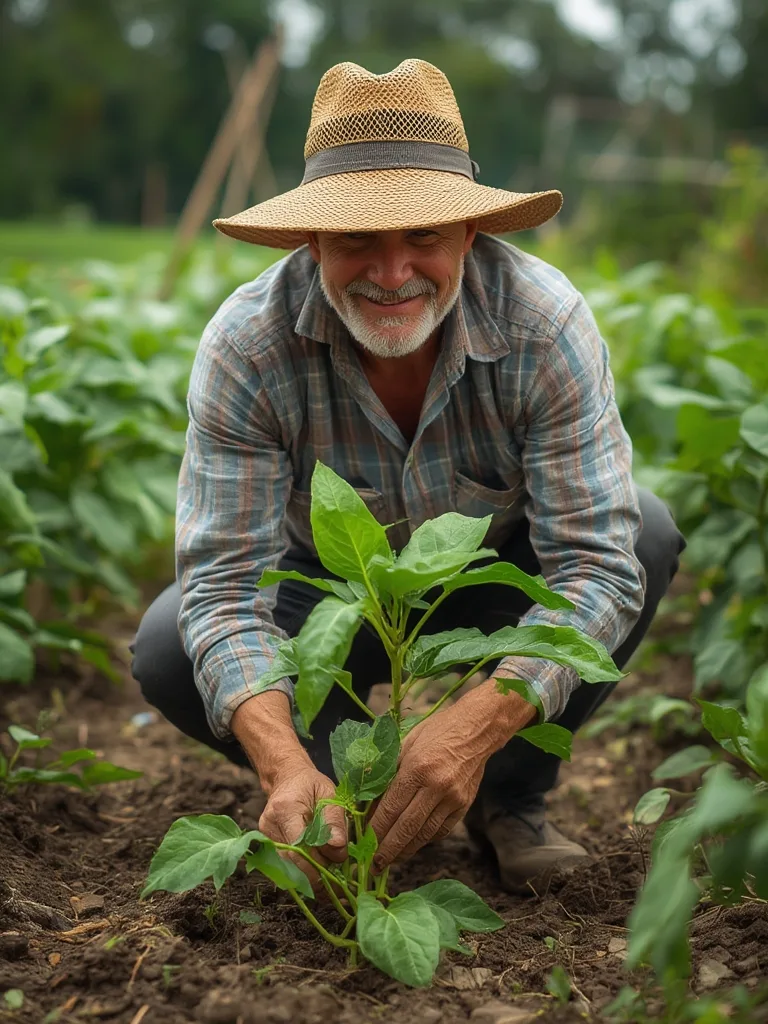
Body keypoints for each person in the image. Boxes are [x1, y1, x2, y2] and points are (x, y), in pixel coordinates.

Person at [131, 58, 685, 893]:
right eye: (358, 240)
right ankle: (337, 790)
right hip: (323, 599)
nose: (392, 274)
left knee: (640, 534)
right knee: (173, 642)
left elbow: (595, 567)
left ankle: (509, 799)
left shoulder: (543, 325)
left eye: (423, 236)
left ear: (469, 233)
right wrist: (284, 765)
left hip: (494, 584)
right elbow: (223, 588)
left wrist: (468, 731)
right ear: (313, 240)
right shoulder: (249, 345)